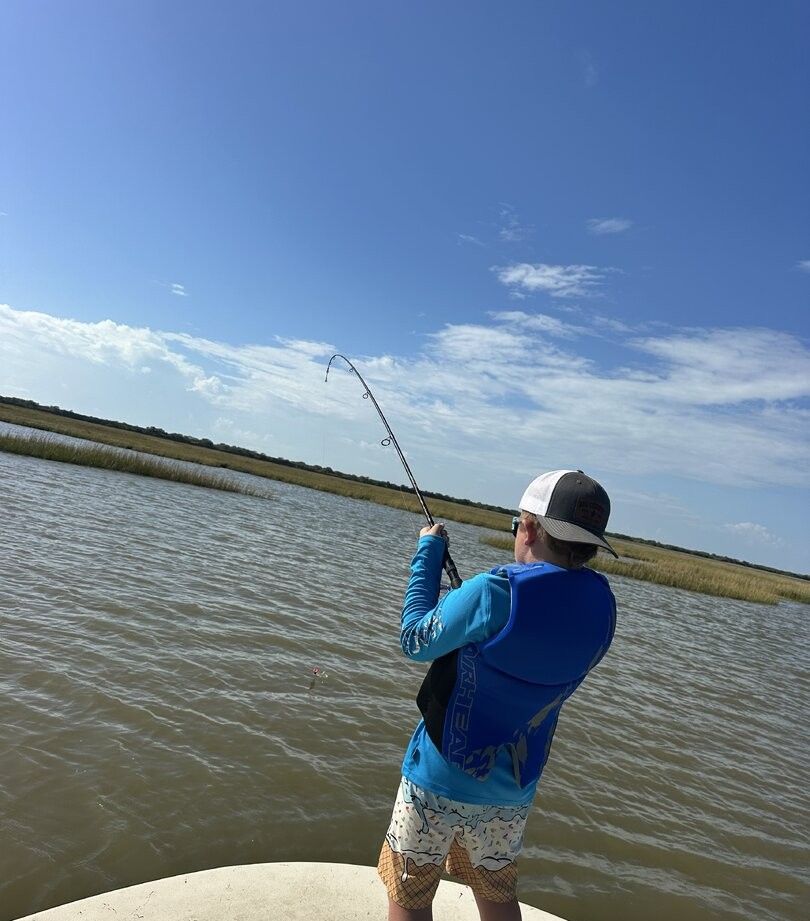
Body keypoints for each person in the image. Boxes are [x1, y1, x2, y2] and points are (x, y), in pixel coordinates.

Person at [377, 470, 618, 921]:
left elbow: (414, 639)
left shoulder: (494, 590)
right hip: (513, 786)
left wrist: (429, 551)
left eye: (516, 524)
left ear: (527, 527)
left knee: (409, 890)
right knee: (496, 891)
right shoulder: (604, 606)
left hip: (438, 776)